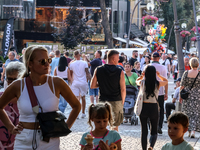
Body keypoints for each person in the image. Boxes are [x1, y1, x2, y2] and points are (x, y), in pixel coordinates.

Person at [0, 45, 81, 149]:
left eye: (48, 60)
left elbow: (76, 106)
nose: (47, 64)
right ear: (30, 64)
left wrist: (66, 126)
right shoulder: (18, 85)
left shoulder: (57, 83)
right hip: (24, 140)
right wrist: (11, 128)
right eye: (42, 61)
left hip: (50, 140)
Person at [91, 50, 126, 131]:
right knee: (114, 126)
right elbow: (123, 89)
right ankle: (114, 142)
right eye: (117, 58)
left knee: (102, 124)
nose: (118, 60)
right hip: (116, 100)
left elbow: (92, 85)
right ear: (113, 58)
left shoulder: (98, 69)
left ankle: (102, 142)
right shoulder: (120, 71)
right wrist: (122, 101)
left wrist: (101, 84)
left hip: (103, 100)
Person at [136, 65, 168, 150]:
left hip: (144, 106)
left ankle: (144, 149)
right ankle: (151, 146)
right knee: (154, 130)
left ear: (145, 73)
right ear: (154, 73)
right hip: (153, 106)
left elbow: (136, 81)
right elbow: (166, 81)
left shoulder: (142, 82)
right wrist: (159, 75)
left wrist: (142, 76)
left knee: (144, 130)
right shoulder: (157, 83)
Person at [0, 61, 25, 150]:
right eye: (9, 79)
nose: (12, 84)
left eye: (16, 80)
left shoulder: (31, 101)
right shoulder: (1, 98)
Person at [180, 57, 200, 138]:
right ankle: (193, 131)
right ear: (198, 65)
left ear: (190, 64)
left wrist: (180, 97)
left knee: (187, 113)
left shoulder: (186, 73)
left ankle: (188, 130)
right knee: (195, 113)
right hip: (197, 96)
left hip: (187, 95)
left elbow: (182, 86)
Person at [70, 50, 91, 118]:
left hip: (75, 82)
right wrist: (90, 80)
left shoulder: (72, 64)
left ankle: (77, 113)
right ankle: (83, 113)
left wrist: (71, 82)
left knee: (76, 99)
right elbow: (87, 73)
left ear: (74, 56)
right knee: (83, 98)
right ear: (80, 55)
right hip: (83, 82)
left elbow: (70, 73)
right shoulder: (84, 63)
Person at [151, 52, 168, 134]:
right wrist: (166, 93)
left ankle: (151, 126)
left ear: (152, 58)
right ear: (159, 58)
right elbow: (166, 81)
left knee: (150, 108)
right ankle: (159, 126)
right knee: (160, 109)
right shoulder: (163, 67)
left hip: (149, 92)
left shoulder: (147, 66)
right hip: (160, 91)